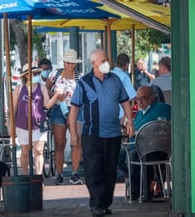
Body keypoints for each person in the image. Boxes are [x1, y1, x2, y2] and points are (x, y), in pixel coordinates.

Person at [68, 49, 134, 217]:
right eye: (103, 61)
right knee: (93, 169)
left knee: (110, 171)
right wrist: (74, 133)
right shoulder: (84, 82)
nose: (107, 63)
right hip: (92, 134)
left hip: (113, 133)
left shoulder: (115, 79)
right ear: (93, 64)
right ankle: (96, 204)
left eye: (107, 60)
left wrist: (129, 121)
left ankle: (105, 203)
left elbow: (125, 101)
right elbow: (74, 109)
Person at [12, 63, 61, 175]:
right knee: (24, 152)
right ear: (27, 75)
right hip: (22, 124)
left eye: (37, 73)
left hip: (40, 123)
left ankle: (38, 178)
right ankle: (25, 176)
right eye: (34, 73)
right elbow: (13, 108)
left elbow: (47, 105)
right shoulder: (19, 89)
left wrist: (56, 95)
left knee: (39, 151)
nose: (36, 75)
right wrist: (10, 123)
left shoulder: (42, 87)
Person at [45, 49, 84, 185]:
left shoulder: (80, 76)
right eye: (68, 62)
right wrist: (56, 96)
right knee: (59, 143)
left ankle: (75, 173)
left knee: (77, 141)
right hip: (58, 109)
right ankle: (60, 174)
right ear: (64, 62)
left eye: (72, 63)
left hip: (76, 109)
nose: (70, 65)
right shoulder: (55, 74)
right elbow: (46, 90)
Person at [129, 85, 171, 200]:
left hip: (154, 147)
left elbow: (162, 127)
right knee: (117, 157)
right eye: (137, 99)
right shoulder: (139, 113)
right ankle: (144, 185)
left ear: (152, 97)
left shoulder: (162, 108)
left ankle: (137, 192)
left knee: (133, 157)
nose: (140, 102)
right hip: (135, 145)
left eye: (143, 98)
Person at [110, 53, 137, 179]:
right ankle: (122, 172)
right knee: (122, 145)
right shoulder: (124, 77)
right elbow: (131, 97)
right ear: (126, 65)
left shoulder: (109, 75)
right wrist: (127, 117)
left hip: (109, 114)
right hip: (121, 114)